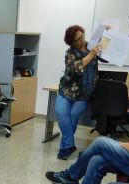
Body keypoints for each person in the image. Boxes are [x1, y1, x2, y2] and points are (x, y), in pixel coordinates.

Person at [55, 24, 103, 160]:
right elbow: (77, 67)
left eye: (82, 36)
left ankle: (65, 147)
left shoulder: (91, 46)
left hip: (84, 92)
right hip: (67, 89)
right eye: (78, 39)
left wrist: (108, 31)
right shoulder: (70, 53)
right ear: (72, 42)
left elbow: (106, 44)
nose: (82, 40)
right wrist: (92, 54)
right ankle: (69, 144)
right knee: (61, 113)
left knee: (72, 118)